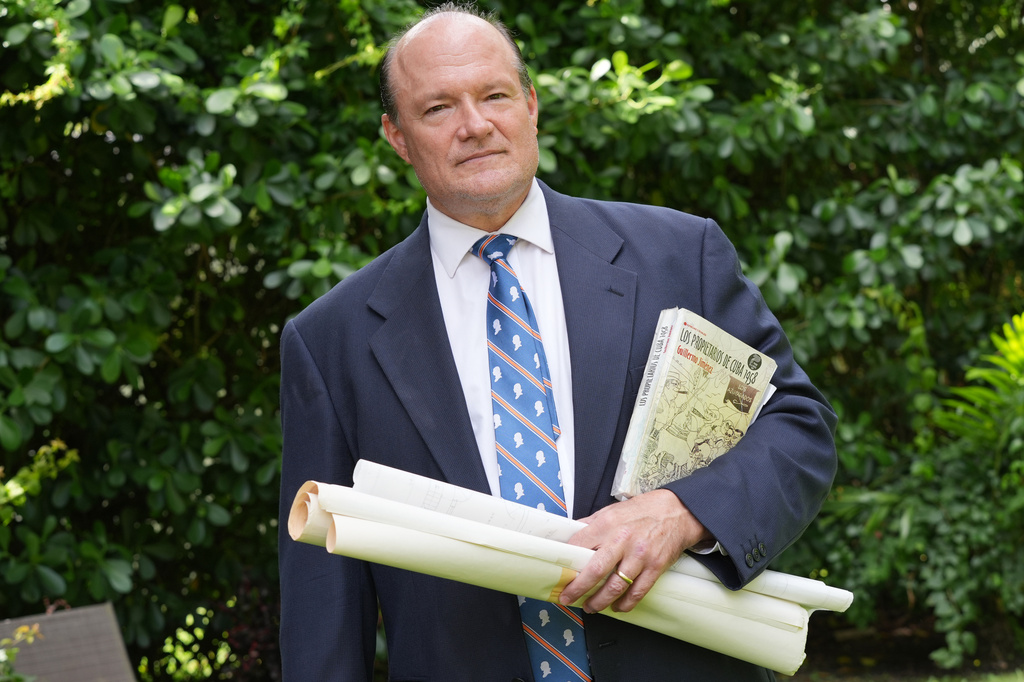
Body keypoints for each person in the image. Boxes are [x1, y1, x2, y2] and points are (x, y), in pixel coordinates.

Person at [277, 4, 837, 680]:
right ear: (398, 138)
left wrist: (686, 511)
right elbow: (321, 609)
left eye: (494, 95)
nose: (475, 125)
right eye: (438, 109)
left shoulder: (679, 256)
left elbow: (799, 429)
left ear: (532, 105)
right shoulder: (329, 341)